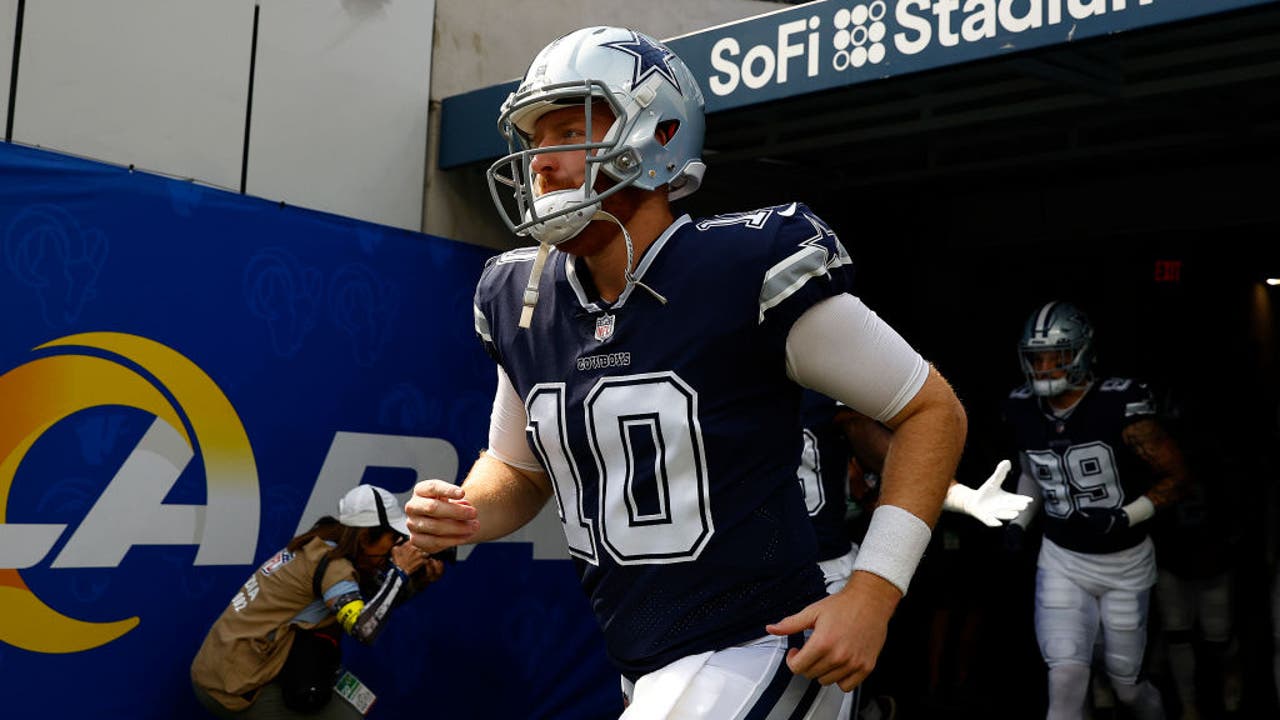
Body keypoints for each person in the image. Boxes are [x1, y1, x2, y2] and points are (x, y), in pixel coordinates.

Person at [405, 26, 967, 719]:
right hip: (647, 662)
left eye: (569, 129)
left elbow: (930, 411)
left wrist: (875, 591)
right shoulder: (521, 295)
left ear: (658, 133)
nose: (542, 161)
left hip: (758, 642)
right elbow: (517, 470)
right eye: (534, 139)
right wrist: (467, 510)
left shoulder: (745, 266)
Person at [1001, 301, 1189, 720]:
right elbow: (1035, 473)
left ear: (1082, 353)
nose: (1045, 367)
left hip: (1126, 563)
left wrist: (1126, 516)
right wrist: (1019, 521)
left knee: (1126, 687)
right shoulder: (1021, 406)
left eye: (1057, 356)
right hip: (1062, 558)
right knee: (1064, 678)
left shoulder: (1120, 402)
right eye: (1037, 358)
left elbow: (1177, 478)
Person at [799, 392, 1030, 720]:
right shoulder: (713, 392)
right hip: (744, 574)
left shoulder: (818, 386)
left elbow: (883, 442)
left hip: (825, 571)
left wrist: (956, 494)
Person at [191, 485, 444, 719]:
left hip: (224, 667)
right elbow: (365, 628)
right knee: (347, 717)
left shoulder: (322, 543)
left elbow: (372, 606)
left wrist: (415, 582)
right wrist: (399, 572)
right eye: (391, 539)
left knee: (349, 705)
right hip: (234, 688)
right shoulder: (333, 567)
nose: (393, 550)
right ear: (366, 536)